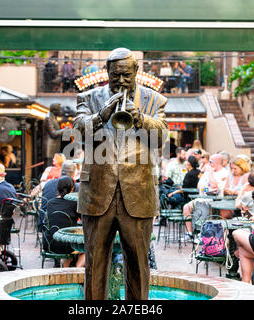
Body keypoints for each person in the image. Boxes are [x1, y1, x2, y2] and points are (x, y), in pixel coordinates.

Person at [73, 47, 168, 300]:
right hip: (96, 194)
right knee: (94, 265)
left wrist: (142, 120)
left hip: (138, 195)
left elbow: (161, 137)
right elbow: (79, 131)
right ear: (107, 71)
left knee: (138, 265)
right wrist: (101, 114)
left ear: (137, 71)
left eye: (127, 75)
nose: (122, 81)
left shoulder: (154, 100)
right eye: (116, 75)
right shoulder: (89, 97)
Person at [43, 176, 85, 267]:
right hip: (66, 245)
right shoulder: (74, 203)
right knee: (88, 247)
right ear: (73, 188)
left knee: (67, 244)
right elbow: (84, 221)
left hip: (49, 243)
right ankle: (77, 269)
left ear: (57, 188)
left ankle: (64, 266)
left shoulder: (50, 202)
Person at [31, 161, 79, 232]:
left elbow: (33, 193)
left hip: (45, 226)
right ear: (74, 173)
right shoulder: (76, 187)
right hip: (66, 229)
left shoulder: (48, 183)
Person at [42, 103, 65, 169]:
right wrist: (64, 130)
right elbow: (53, 133)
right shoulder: (48, 118)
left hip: (54, 148)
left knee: (54, 168)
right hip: (50, 148)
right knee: (49, 168)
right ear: (54, 111)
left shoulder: (53, 118)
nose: (60, 112)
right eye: (59, 110)